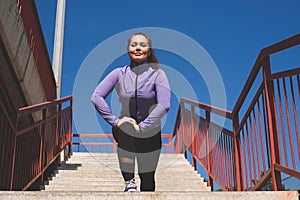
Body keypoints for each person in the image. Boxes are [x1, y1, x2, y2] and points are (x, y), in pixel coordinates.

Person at [91, 32, 171, 192]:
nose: (138, 48)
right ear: (128, 50)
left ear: (149, 51)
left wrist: (142, 127)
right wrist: (115, 121)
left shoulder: (158, 74)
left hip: (151, 131)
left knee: (147, 178)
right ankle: (129, 183)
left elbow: (164, 104)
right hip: (126, 129)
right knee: (126, 126)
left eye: (142, 45)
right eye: (134, 45)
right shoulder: (119, 73)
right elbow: (96, 96)